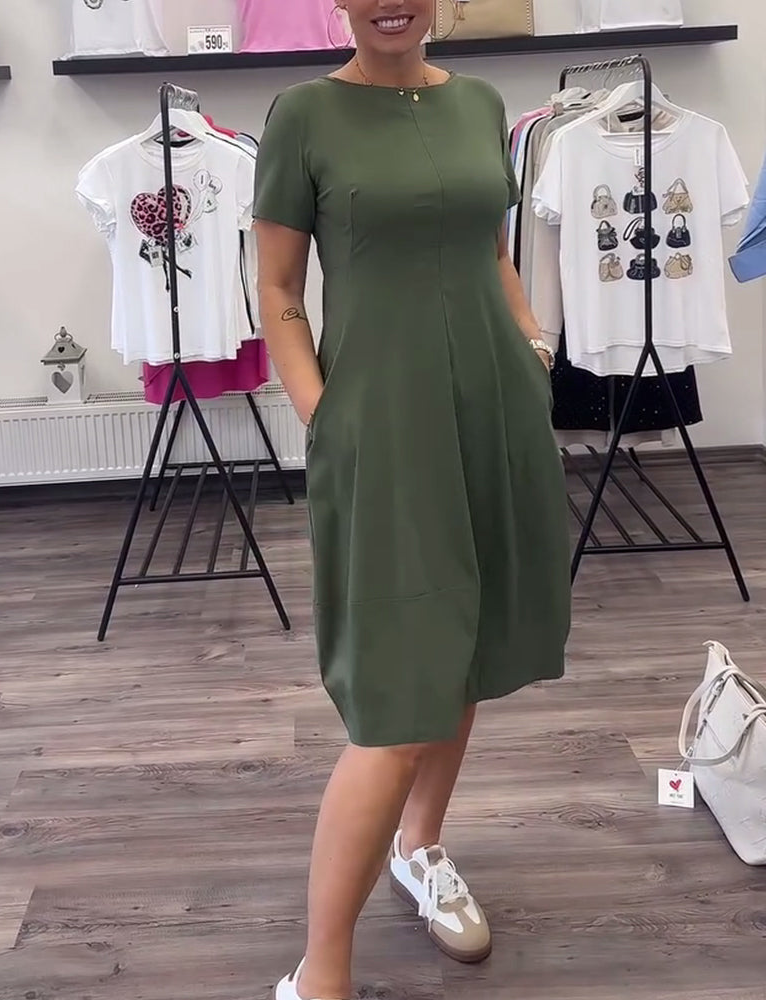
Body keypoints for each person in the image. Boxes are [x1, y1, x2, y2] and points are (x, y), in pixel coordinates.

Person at [254, 2, 571, 997]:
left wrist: (533, 350)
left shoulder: (481, 104)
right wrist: (324, 413)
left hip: (493, 409)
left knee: (463, 646)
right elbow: (278, 289)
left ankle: (420, 846)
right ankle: (320, 974)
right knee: (396, 694)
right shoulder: (303, 114)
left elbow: (491, 251)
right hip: (381, 425)